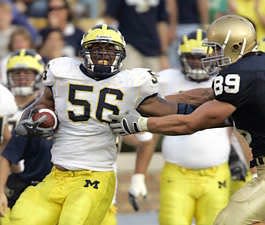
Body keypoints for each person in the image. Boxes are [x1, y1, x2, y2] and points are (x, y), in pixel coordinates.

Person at [12, 24, 181, 225]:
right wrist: (30, 119)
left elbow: (168, 110)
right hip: (57, 174)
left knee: (73, 221)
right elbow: (41, 104)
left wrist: (203, 111)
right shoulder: (62, 72)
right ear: (84, 52)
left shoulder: (132, 83)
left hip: (95, 175)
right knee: (20, 218)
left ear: (121, 54)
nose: (102, 54)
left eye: (109, 49)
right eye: (96, 48)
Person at [109, 14, 265, 225]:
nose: (212, 55)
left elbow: (191, 123)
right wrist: (141, 104)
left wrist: (141, 124)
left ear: (236, 46)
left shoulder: (239, 75)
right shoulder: (253, 70)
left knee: (228, 222)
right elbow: (200, 99)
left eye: (217, 48)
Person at [157, 29, 232, 225]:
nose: (198, 62)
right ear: (181, 57)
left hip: (217, 172)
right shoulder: (165, 79)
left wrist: (240, 158)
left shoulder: (227, 80)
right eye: (191, 56)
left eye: (202, 56)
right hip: (177, 173)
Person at [0, 49, 53, 224]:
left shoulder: (46, 110)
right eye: (16, 73)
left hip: (35, 178)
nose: (22, 77)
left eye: (27, 73)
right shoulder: (4, 106)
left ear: (39, 76)